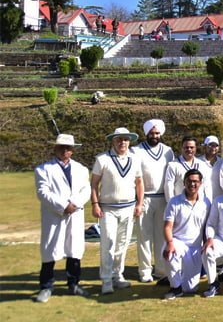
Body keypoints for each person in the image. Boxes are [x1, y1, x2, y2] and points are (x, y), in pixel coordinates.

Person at [35, 134, 91, 302]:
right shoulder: (43, 169)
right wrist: (63, 206)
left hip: (75, 214)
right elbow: (43, 192)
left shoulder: (81, 169)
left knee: (74, 250)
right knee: (50, 250)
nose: (65, 150)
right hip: (54, 216)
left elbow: (86, 190)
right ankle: (46, 287)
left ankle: (74, 284)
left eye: (68, 148)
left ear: (72, 150)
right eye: (61, 147)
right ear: (55, 148)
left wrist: (75, 204)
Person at [90, 127, 144, 295]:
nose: (122, 142)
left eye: (125, 139)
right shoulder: (102, 159)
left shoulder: (135, 159)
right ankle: (106, 280)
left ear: (129, 141)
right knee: (108, 243)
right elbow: (94, 184)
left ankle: (117, 275)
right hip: (108, 209)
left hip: (128, 208)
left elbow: (139, 183)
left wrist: (139, 204)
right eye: (119, 139)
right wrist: (95, 204)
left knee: (123, 244)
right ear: (113, 141)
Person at [130, 119, 174, 284]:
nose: (154, 136)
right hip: (145, 198)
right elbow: (135, 177)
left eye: (157, 133)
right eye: (151, 133)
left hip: (163, 198)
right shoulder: (136, 151)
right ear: (146, 133)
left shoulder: (168, 151)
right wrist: (138, 201)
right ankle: (145, 271)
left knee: (162, 236)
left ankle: (161, 269)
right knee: (144, 236)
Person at [162, 169, 211, 300]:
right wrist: (170, 243)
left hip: (195, 248)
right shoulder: (174, 201)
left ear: (200, 183)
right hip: (177, 242)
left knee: (190, 289)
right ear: (184, 183)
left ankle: (173, 279)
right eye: (189, 181)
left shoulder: (206, 203)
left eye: (195, 181)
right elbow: (167, 226)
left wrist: (206, 243)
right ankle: (175, 288)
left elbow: (207, 227)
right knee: (170, 253)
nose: (192, 184)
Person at [164, 137, 212, 203]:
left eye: (192, 147)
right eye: (186, 147)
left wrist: (209, 203)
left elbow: (207, 186)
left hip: (199, 204)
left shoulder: (202, 165)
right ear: (182, 148)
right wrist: (171, 203)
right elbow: (168, 186)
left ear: (195, 148)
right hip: (179, 204)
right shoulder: (173, 165)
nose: (189, 149)